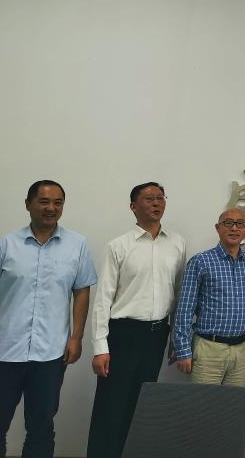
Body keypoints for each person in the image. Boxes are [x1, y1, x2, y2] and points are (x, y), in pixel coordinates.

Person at [0, 180, 97, 458]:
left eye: (58, 203)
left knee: (41, 428)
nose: (51, 208)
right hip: (4, 352)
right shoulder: (7, 244)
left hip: (51, 353)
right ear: (28, 204)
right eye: (44, 201)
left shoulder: (77, 245)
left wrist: (76, 337)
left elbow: (81, 292)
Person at [86, 182, 186, 458]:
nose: (156, 202)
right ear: (133, 207)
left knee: (143, 404)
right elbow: (103, 299)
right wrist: (100, 348)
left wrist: (176, 337)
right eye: (149, 198)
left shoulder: (177, 244)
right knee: (111, 405)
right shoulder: (118, 246)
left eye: (160, 197)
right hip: (123, 334)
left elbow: (179, 293)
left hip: (157, 334)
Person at [172, 208, 245, 385]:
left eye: (240, 224)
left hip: (242, 349)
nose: (234, 228)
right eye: (228, 223)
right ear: (218, 228)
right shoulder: (200, 261)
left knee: (234, 402)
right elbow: (185, 309)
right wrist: (182, 350)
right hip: (208, 348)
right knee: (204, 403)